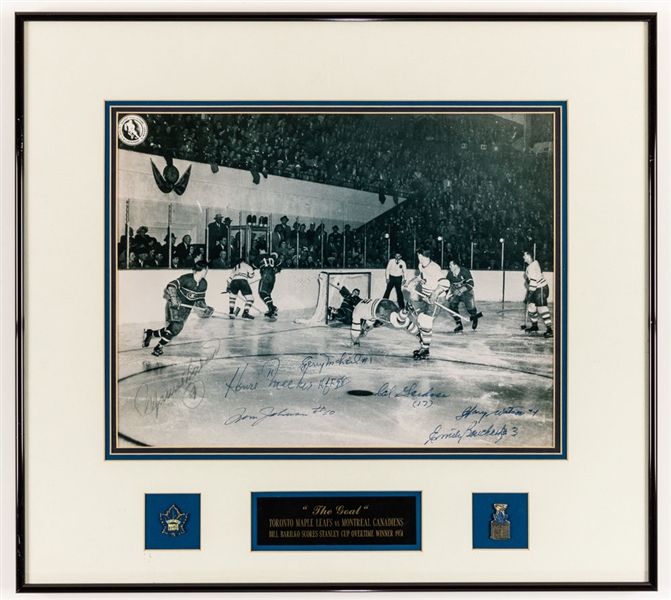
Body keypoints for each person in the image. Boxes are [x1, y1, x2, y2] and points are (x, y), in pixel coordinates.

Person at [142, 261, 213, 357]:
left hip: (186, 309)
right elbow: (171, 285)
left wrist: (205, 308)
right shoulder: (187, 278)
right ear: (205, 270)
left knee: (172, 328)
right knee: (177, 327)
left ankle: (151, 333)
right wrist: (174, 299)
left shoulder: (204, 283)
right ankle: (159, 347)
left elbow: (199, 300)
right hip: (175, 305)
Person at [402, 248, 450, 360]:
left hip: (437, 299)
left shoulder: (433, 268)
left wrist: (434, 294)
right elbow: (421, 277)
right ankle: (424, 344)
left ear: (419, 255)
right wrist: (413, 282)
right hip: (426, 297)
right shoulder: (421, 265)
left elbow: (445, 283)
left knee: (426, 321)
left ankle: (425, 349)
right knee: (420, 319)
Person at [522, 251, 553, 338]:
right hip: (536, 288)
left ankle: (549, 330)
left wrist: (529, 295)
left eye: (524, 255)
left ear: (528, 256)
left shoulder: (532, 266)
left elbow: (533, 282)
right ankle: (535, 326)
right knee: (531, 307)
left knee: (542, 308)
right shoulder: (533, 264)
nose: (523, 257)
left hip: (541, 288)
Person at [446, 259, 480, 332]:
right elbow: (446, 285)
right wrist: (447, 295)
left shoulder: (464, 271)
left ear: (456, 265)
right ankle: (459, 324)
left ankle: (474, 316)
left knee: (470, 308)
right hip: (455, 292)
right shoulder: (450, 274)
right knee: (452, 307)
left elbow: (471, 284)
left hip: (466, 292)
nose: (449, 267)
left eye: (451, 265)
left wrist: (461, 290)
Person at [253, 246, 282, 319]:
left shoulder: (259, 257)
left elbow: (253, 267)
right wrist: (274, 271)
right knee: (267, 294)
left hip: (265, 274)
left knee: (262, 292)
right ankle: (271, 310)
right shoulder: (272, 257)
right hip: (273, 276)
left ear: (261, 249)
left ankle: (272, 308)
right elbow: (280, 265)